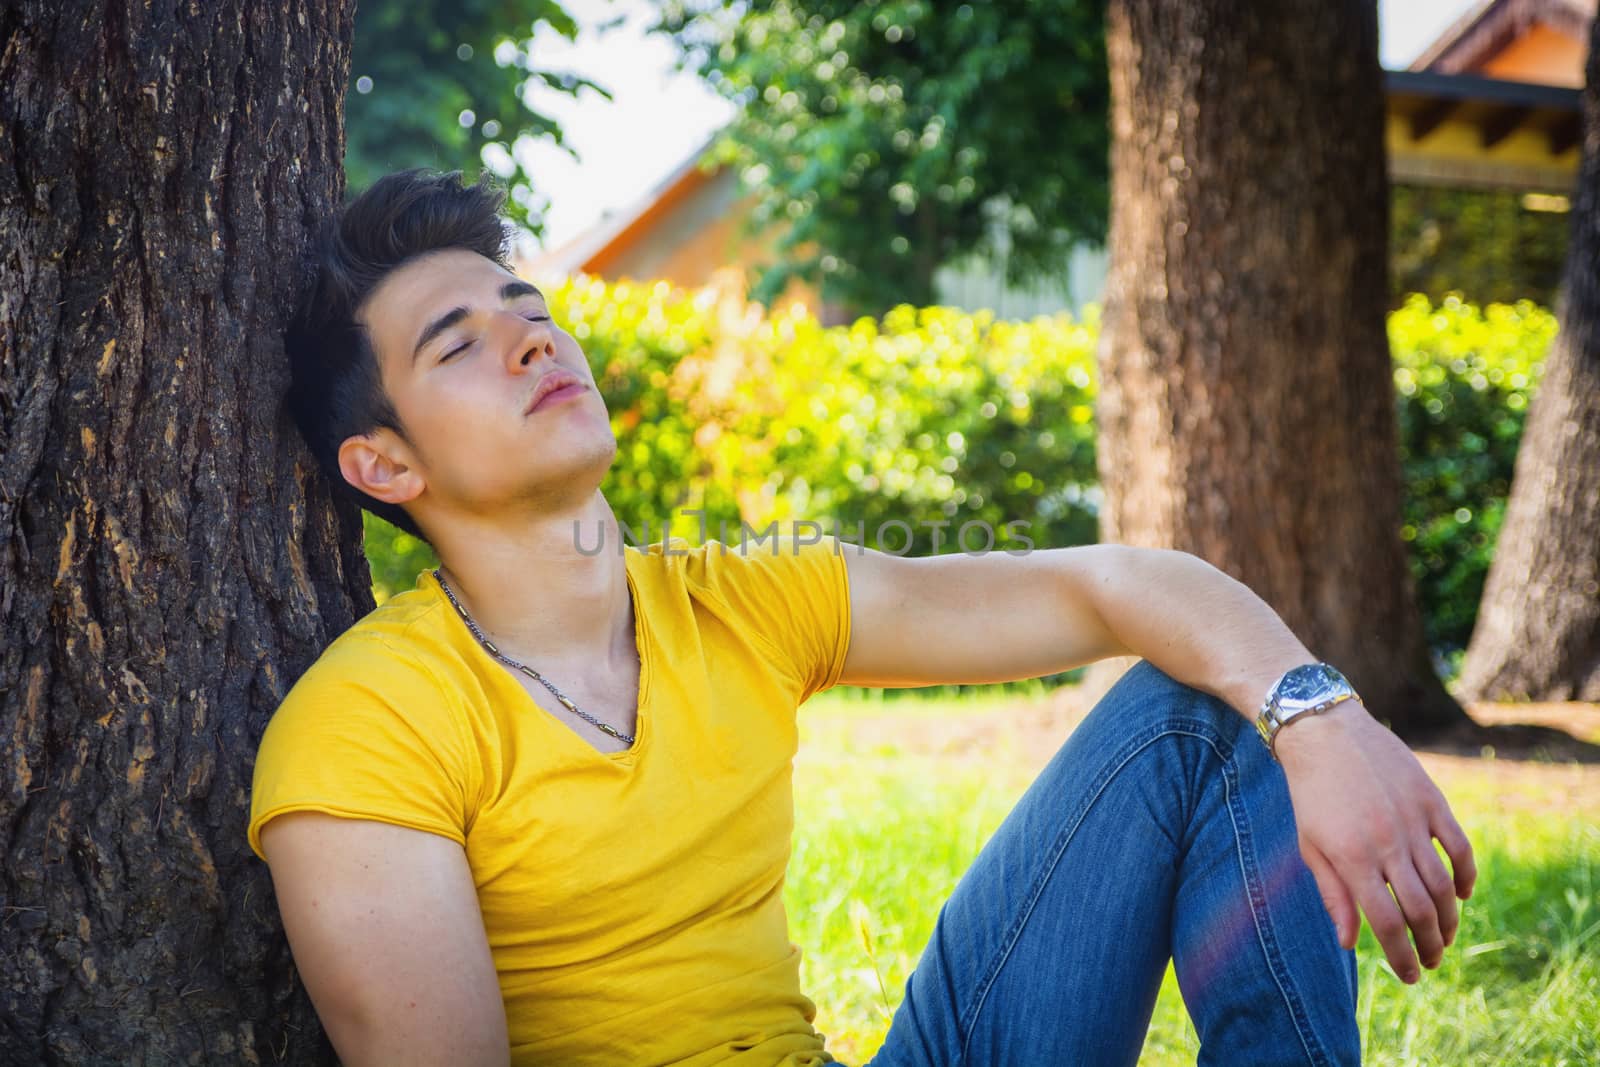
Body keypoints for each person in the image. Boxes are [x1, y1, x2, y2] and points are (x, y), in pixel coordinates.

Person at [248, 169, 1475, 1067]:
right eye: (458, 344)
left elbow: (1114, 583)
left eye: (528, 306)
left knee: (1197, 706)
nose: (528, 337)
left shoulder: (745, 598)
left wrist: (1321, 717)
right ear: (385, 466)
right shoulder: (367, 725)